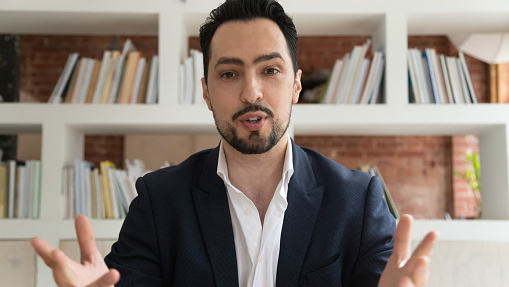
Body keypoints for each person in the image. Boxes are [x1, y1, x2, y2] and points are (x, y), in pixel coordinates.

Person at [31, 0, 438, 286]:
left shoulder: (358, 201)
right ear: (206, 92)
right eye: (229, 74)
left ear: (296, 85)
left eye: (271, 70)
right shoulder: (159, 201)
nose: (251, 92)